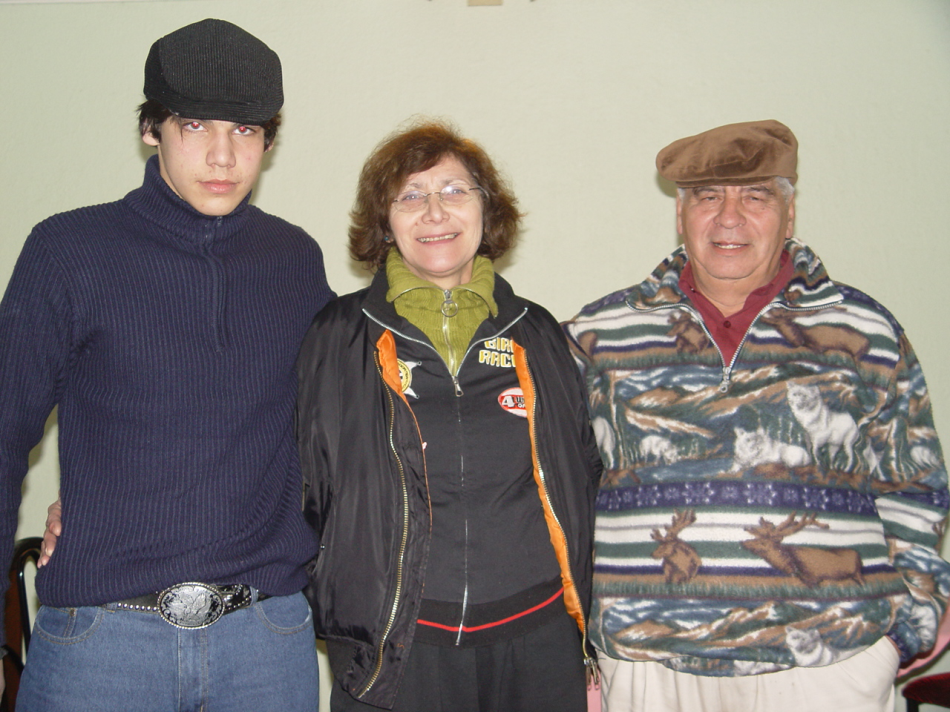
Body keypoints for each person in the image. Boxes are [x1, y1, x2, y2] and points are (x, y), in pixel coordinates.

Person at [0, 19, 333, 710]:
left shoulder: (295, 261)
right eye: (195, 125)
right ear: (152, 129)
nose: (222, 155)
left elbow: (350, 420)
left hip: (265, 640)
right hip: (101, 642)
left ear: (269, 140)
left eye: (245, 130)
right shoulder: (67, 251)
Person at [563, 120, 950, 712]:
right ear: (681, 213)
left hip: (827, 663)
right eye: (708, 197)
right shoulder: (598, 333)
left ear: (789, 215)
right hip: (647, 662)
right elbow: (555, 484)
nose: (729, 218)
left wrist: (906, 628)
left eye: (755, 197)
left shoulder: (865, 331)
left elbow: (914, 485)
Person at [295, 120, 601, 712]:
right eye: (410, 196)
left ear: (487, 210)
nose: (435, 211)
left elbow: (583, 474)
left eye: (455, 191)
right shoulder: (338, 335)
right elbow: (303, 485)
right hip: (395, 651)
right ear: (385, 221)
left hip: (539, 641)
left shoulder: (536, 332)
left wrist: (586, 640)